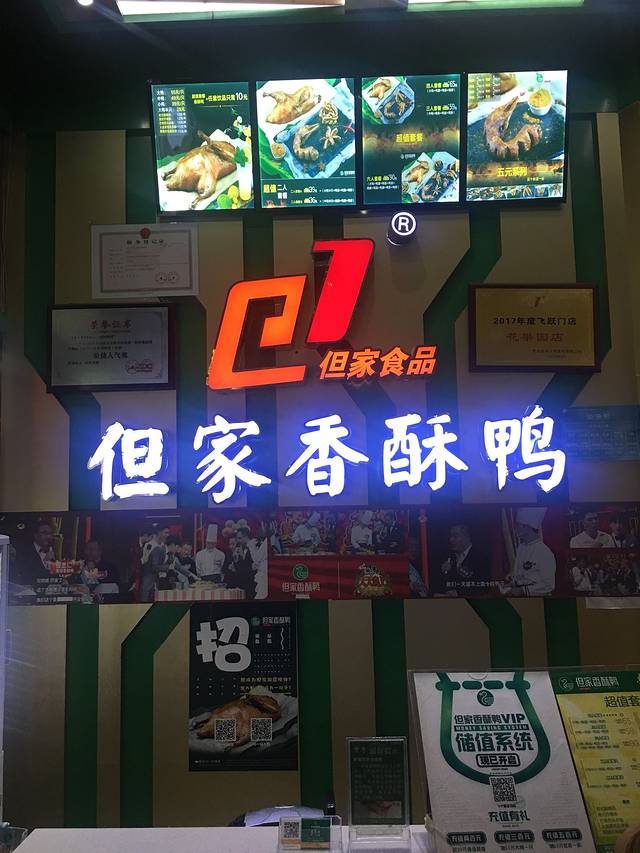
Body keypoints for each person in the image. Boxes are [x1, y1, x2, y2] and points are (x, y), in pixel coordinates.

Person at [505, 507, 556, 597]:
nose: (515, 529)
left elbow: (549, 585)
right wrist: (511, 584)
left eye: (518, 525)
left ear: (528, 527)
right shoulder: (521, 547)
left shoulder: (544, 552)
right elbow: (519, 575)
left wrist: (523, 590)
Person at [438, 524, 488, 595]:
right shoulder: (447, 556)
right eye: (451, 536)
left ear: (467, 537)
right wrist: (443, 572)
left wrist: (459, 593)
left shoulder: (480, 557)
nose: (451, 540)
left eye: (455, 536)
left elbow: (484, 585)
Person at [15, 520, 55, 586]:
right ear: (36, 535)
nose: (48, 536)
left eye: (50, 533)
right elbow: (27, 575)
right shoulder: (24, 552)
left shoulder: (56, 550)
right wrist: (45, 562)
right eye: (44, 533)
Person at [140, 524, 169, 602]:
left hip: (159, 581)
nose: (167, 535)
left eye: (168, 533)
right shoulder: (149, 545)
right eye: (166, 533)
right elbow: (145, 563)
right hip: (148, 581)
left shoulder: (164, 547)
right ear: (159, 532)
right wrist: (167, 567)